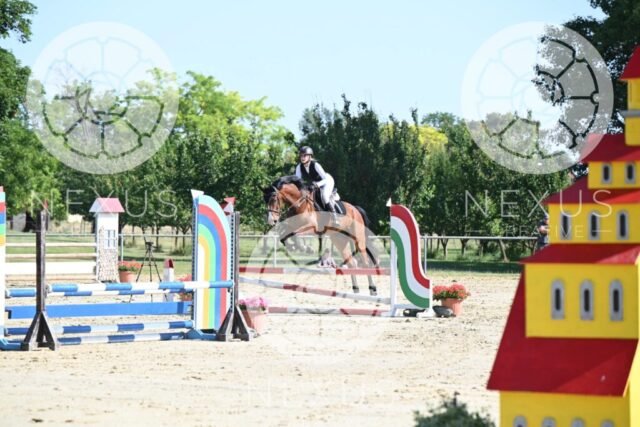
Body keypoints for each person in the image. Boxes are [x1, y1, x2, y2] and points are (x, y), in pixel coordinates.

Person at [295, 146, 340, 225]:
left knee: (325, 196)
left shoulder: (315, 165)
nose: (302, 158)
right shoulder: (299, 167)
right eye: (301, 156)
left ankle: (334, 217)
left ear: (310, 156)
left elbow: (325, 179)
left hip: (327, 181)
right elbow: (298, 180)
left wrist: (317, 185)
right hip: (316, 183)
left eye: (304, 155)